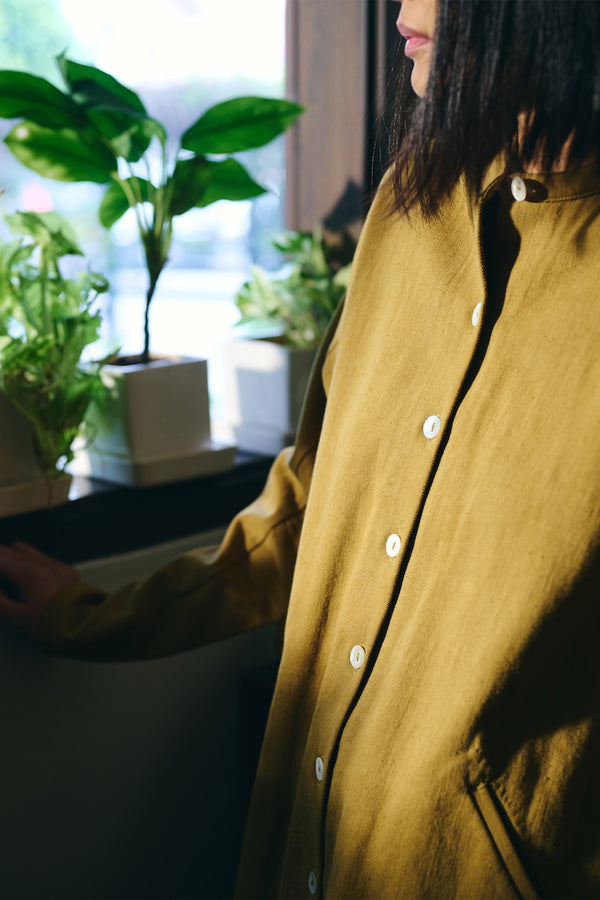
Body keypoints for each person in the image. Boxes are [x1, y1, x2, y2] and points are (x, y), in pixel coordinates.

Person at [1, 0, 600, 896]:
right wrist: (94, 614)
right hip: (305, 857)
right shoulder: (411, 203)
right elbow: (311, 510)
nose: (405, 11)